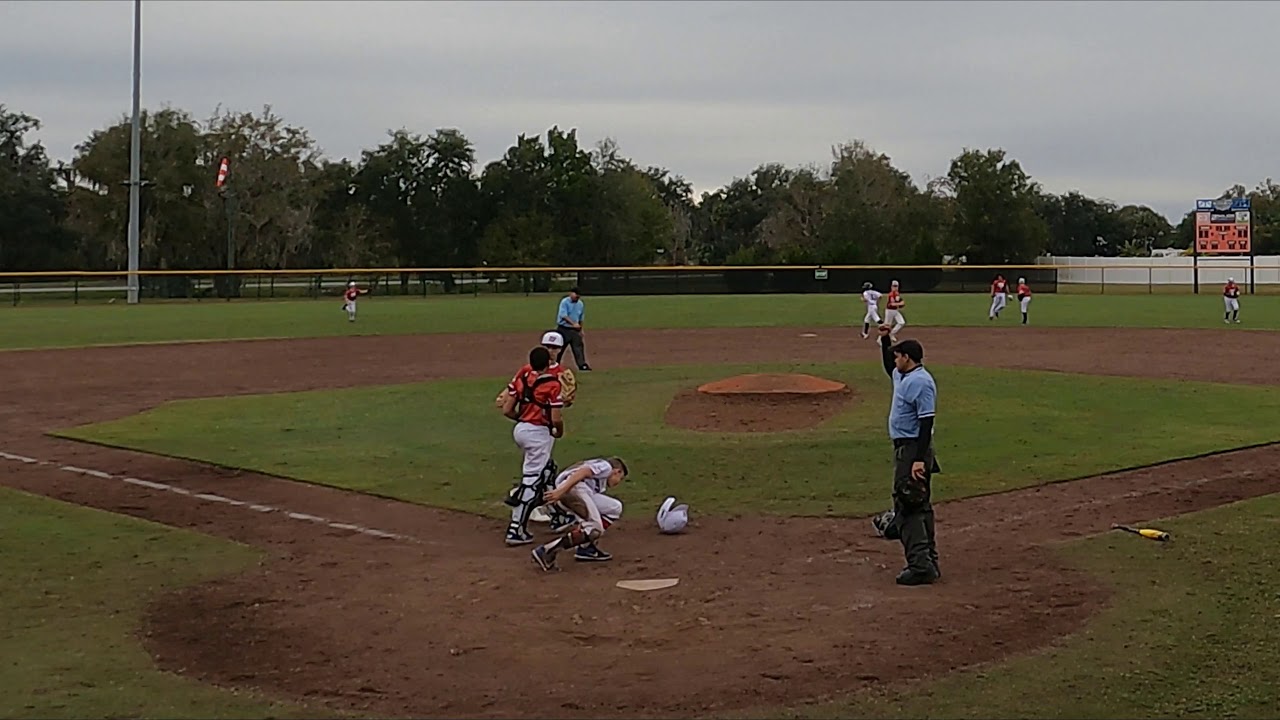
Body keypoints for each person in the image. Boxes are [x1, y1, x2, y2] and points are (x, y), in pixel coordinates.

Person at [876, 324, 941, 586]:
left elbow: (926, 422)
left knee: (909, 504)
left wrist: (917, 459)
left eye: (898, 355)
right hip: (906, 448)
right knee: (920, 505)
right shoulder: (903, 376)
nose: (894, 359)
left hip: (914, 448)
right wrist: (884, 339)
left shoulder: (921, 382)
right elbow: (887, 366)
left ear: (908, 358)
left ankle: (920, 566)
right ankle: (928, 561)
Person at [499, 346, 565, 546]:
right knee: (531, 480)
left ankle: (558, 517)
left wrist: (522, 419)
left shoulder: (523, 376)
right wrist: (558, 431)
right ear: (548, 363)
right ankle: (515, 529)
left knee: (547, 471)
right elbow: (556, 418)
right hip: (538, 433)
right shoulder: (552, 384)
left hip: (521, 429)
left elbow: (506, 409)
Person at [531, 456, 629, 571]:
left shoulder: (599, 478)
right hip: (573, 489)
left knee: (615, 507)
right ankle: (546, 551)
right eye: (620, 478)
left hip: (577, 490)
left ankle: (586, 547)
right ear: (617, 471)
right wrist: (561, 492)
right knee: (594, 529)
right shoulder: (606, 467)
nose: (618, 482)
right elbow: (583, 472)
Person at [555, 287, 591, 371]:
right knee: (559, 348)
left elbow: (581, 318)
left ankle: (582, 365)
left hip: (575, 330)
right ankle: (555, 364)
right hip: (563, 329)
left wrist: (581, 329)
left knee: (578, 348)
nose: (577, 298)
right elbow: (563, 315)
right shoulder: (564, 302)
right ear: (571, 293)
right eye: (576, 296)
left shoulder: (580, 304)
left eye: (578, 297)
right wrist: (573, 323)